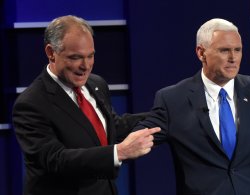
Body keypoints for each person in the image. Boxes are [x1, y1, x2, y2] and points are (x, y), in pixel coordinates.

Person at [134, 18, 250, 194]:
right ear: (201, 53)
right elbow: (135, 139)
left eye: (238, 50)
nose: (233, 58)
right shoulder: (173, 100)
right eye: (224, 50)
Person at [12, 15, 160, 195]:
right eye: (75, 57)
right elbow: (56, 159)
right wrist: (118, 152)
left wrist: (164, 115)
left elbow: (112, 127)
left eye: (90, 56)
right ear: (51, 53)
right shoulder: (31, 104)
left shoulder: (96, 84)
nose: (86, 66)